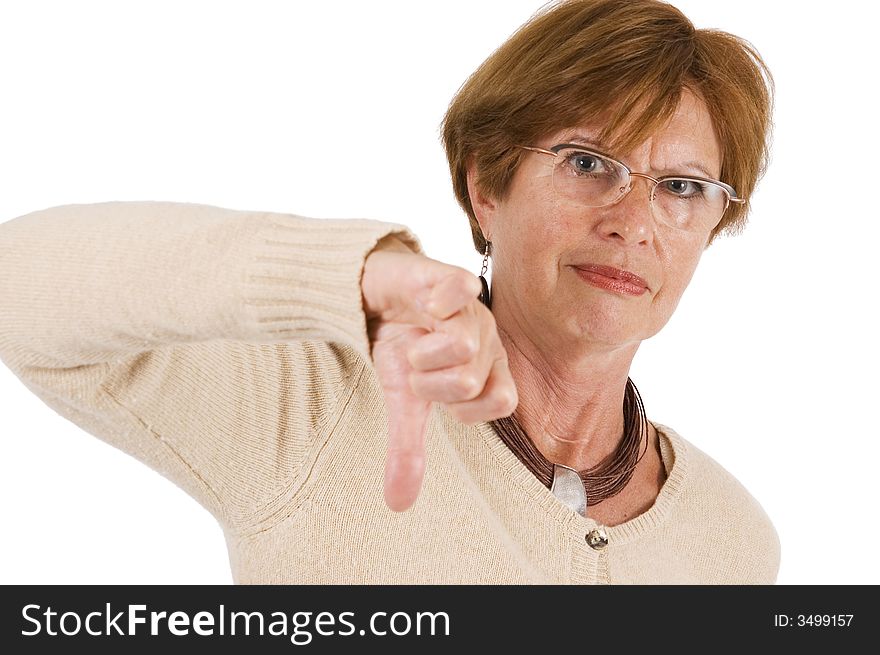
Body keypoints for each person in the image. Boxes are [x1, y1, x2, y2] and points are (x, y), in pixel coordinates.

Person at [0, 0, 778, 583]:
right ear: (487, 187)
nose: (632, 222)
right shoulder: (322, 409)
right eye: (585, 163)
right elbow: (17, 285)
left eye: (681, 185)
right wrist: (348, 275)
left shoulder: (736, 539)